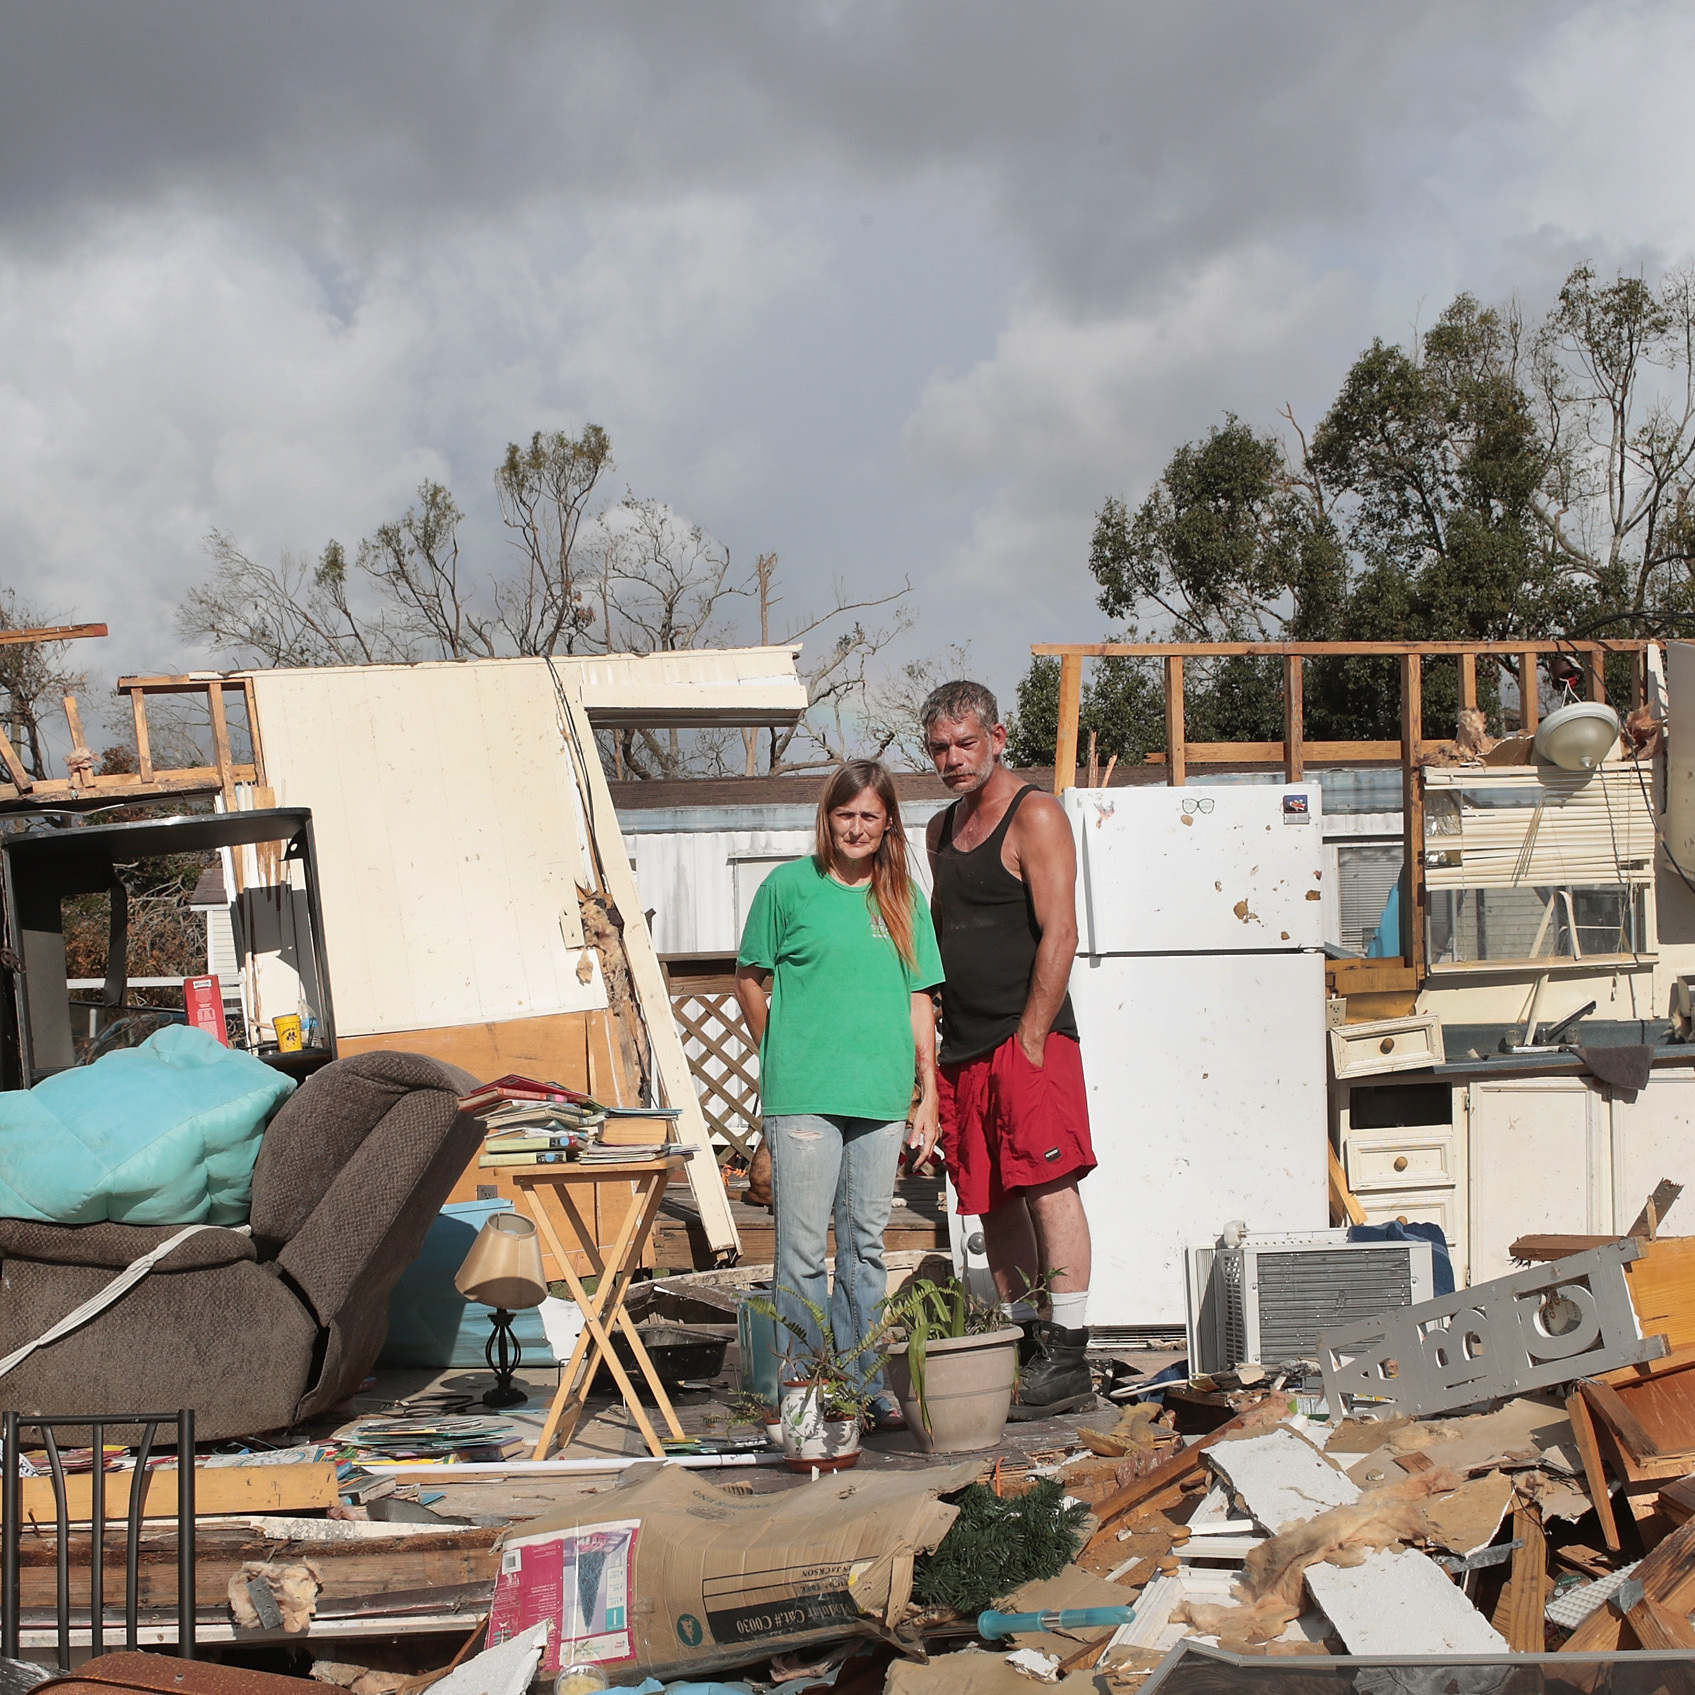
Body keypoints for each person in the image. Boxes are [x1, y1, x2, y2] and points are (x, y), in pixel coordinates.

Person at [734, 759, 945, 1432]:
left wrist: (928, 1091)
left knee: (864, 1245)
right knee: (799, 1247)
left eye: (868, 816)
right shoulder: (786, 887)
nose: (855, 827)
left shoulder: (903, 896)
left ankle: (859, 1382)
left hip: (881, 1094)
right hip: (803, 1095)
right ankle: (800, 1383)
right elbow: (748, 979)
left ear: (887, 824)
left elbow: (919, 999)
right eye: (844, 814)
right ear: (827, 818)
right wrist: (780, 1048)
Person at [921, 680, 1096, 1418]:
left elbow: (1060, 932)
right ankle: (1024, 1337)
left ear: (996, 735)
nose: (954, 758)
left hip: (1027, 1041)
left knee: (1049, 1188)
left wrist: (1030, 1036)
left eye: (966, 742)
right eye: (939, 747)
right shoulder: (936, 828)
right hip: (962, 1049)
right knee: (989, 1200)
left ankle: (1069, 1350)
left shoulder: (1037, 814)